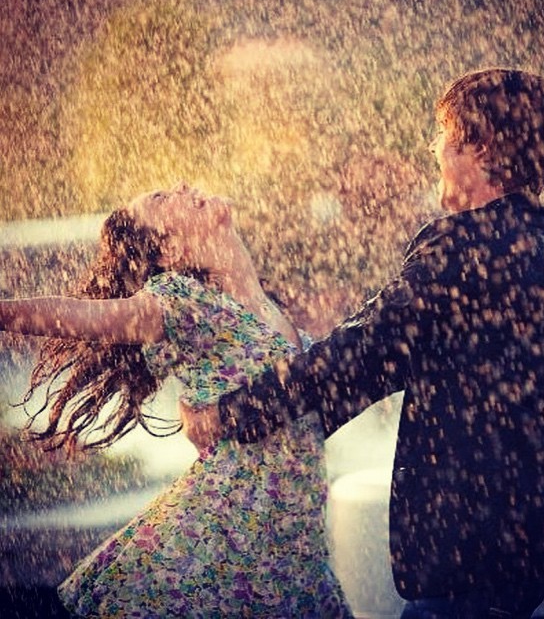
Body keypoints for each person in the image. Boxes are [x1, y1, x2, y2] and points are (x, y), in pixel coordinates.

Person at [211, 69, 544, 618]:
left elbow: (364, 352)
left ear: (480, 146)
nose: (434, 150)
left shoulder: (463, 245)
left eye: (442, 135)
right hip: (524, 529)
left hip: (466, 532)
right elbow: (400, 355)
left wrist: (237, 413)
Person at [0, 183, 352, 618]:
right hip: (224, 543)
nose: (183, 187)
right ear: (167, 250)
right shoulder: (185, 302)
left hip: (295, 548)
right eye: (161, 200)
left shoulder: (270, 305)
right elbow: (89, 317)